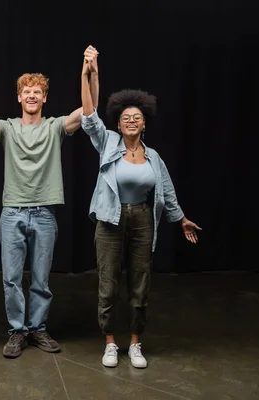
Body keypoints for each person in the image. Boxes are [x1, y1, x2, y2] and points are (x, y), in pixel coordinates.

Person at [80, 45, 202, 369]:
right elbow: (89, 114)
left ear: (144, 124)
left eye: (137, 118)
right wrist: (87, 72)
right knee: (108, 283)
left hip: (143, 220)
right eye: (125, 118)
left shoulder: (154, 158)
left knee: (140, 283)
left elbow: (167, 192)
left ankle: (135, 343)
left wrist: (181, 219)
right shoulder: (107, 144)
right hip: (110, 218)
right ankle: (109, 342)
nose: (131, 121)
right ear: (118, 125)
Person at [0, 55, 99, 358]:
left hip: (44, 213)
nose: (31, 95)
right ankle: (18, 330)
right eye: (26, 91)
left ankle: (37, 328)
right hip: (12, 212)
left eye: (37, 91)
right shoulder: (8, 127)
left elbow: (89, 110)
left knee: (42, 279)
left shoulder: (55, 127)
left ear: (44, 97)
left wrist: (89, 73)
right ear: (19, 97)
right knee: (11, 279)